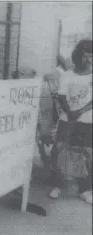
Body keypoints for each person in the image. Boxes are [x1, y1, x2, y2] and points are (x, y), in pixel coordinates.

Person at [48, 39, 92, 204]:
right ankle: (57, 185)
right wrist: (69, 112)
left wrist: (79, 112)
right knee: (59, 150)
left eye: (91, 57)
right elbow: (61, 97)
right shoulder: (68, 75)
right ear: (77, 56)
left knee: (87, 154)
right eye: (85, 56)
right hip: (68, 119)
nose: (88, 60)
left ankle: (85, 190)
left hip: (87, 120)